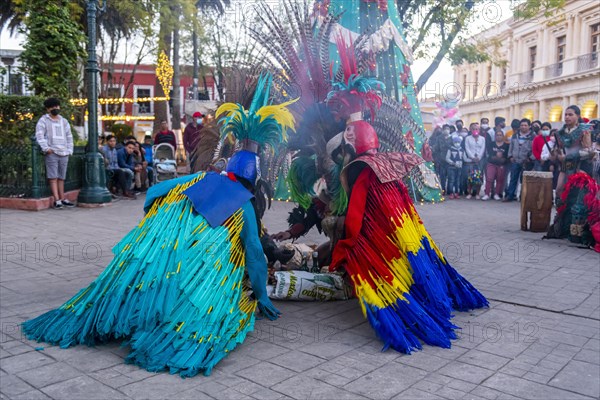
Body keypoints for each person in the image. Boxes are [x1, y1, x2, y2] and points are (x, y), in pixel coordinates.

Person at [22, 73, 291, 378]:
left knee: (151, 275)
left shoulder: (200, 178)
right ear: (252, 181)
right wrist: (262, 296)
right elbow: (254, 255)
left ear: (227, 166)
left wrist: (153, 220)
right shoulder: (242, 204)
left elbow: (153, 193)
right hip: (196, 269)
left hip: (162, 250)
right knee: (194, 291)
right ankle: (170, 332)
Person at [329, 120, 488, 354]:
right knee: (415, 263)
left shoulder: (362, 170)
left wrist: (345, 246)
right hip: (404, 229)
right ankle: (433, 298)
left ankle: (406, 315)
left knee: (365, 263)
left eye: (344, 148)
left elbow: (355, 217)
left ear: (352, 145)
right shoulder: (386, 164)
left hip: (381, 235)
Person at [35, 97, 75, 209]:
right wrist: (46, 148)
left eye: (56, 106)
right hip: (52, 152)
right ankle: (57, 200)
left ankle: (63, 198)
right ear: (48, 109)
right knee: (53, 177)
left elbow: (69, 136)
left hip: (64, 152)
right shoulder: (43, 120)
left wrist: (69, 150)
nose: (55, 108)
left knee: (62, 177)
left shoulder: (64, 121)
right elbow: (39, 135)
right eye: (52, 107)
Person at [554, 105, 595, 199]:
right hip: (567, 163)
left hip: (581, 163)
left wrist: (572, 156)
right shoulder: (560, 132)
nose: (567, 117)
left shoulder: (584, 130)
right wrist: (558, 155)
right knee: (559, 190)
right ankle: (562, 212)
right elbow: (558, 149)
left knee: (577, 191)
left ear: (577, 116)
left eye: (570, 115)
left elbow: (589, 151)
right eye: (565, 115)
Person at [504, 119, 535, 202]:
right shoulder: (515, 135)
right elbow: (511, 147)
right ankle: (510, 195)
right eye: (522, 125)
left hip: (526, 161)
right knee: (513, 178)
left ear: (529, 126)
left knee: (525, 180)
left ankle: (523, 196)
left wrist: (530, 158)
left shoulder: (533, 136)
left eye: (525, 125)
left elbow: (535, 149)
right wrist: (510, 156)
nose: (523, 127)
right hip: (515, 160)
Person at [483, 128, 509, 201]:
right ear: (495, 136)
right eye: (497, 135)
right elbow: (491, 155)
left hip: (501, 165)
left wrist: (500, 158)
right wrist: (497, 157)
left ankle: (497, 194)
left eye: (500, 135)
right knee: (489, 179)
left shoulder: (506, 145)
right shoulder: (491, 144)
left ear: (503, 136)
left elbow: (505, 157)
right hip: (491, 163)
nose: (499, 136)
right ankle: (487, 194)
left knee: (499, 179)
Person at [463, 122, 485, 199]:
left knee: (479, 177)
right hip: (470, 160)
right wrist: (472, 157)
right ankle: (469, 193)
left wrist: (479, 157)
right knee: (470, 177)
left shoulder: (482, 139)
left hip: (479, 160)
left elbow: (483, 148)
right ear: (471, 130)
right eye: (473, 129)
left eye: (477, 129)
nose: (475, 130)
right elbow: (467, 148)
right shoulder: (467, 138)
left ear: (479, 130)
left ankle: (477, 193)